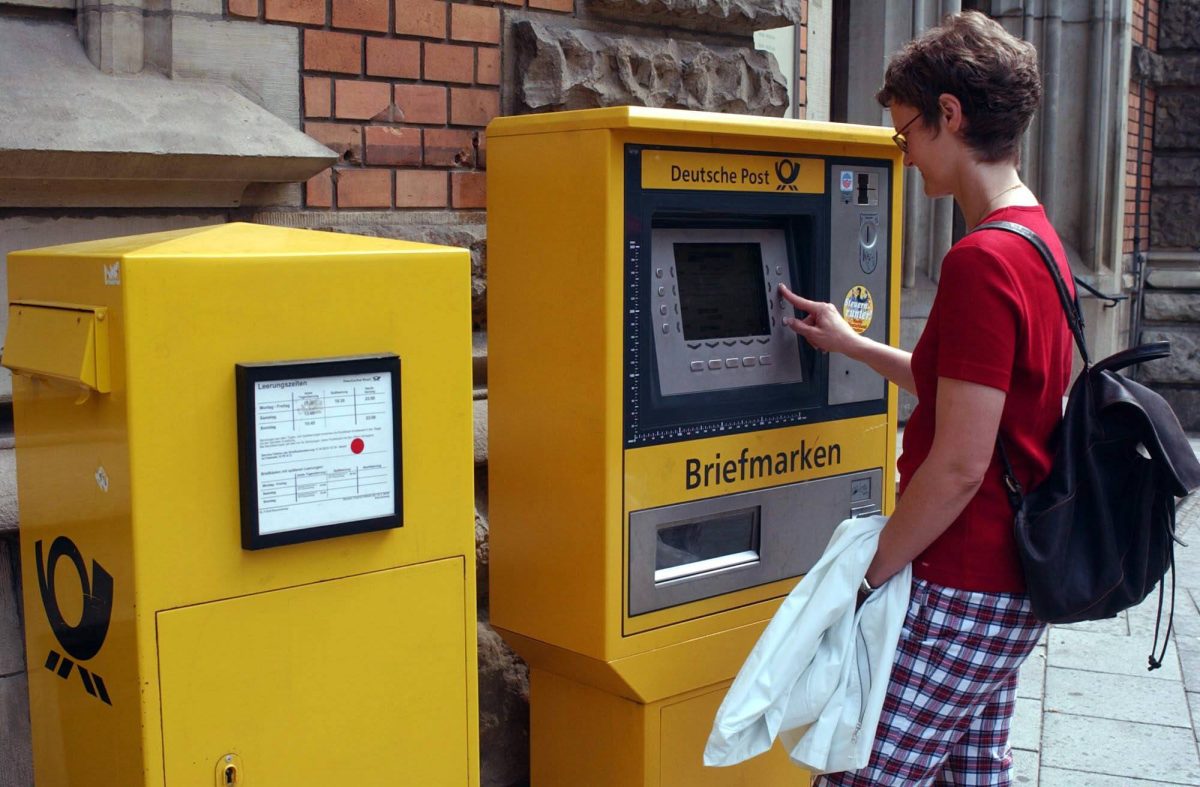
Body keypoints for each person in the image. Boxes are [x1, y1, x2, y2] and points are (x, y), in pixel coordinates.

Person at [779, 11, 1074, 785]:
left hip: (964, 582)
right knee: (969, 774)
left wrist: (869, 574)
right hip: (1014, 582)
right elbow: (971, 396)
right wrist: (850, 343)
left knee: (858, 773)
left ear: (950, 114)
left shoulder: (981, 262)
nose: (903, 152)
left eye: (905, 129)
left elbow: (958, 464)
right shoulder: (1038, 239)